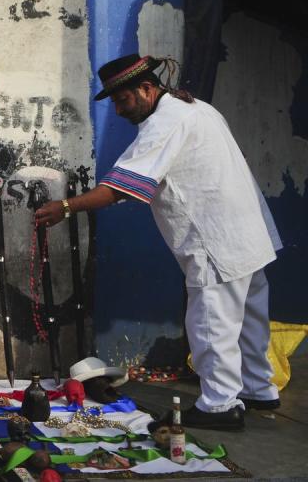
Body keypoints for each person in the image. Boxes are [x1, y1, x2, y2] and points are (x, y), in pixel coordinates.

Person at [35, 54, 283, 431]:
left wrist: (66, 207)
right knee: (249, 320)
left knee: (211, 324)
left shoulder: (165, 122)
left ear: (147, 88)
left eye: (123, 100)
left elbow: (122, 189)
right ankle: (259, 390)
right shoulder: (199, 109)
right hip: (247, 232)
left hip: (215, 237)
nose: (118, 110)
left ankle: (219, 406)